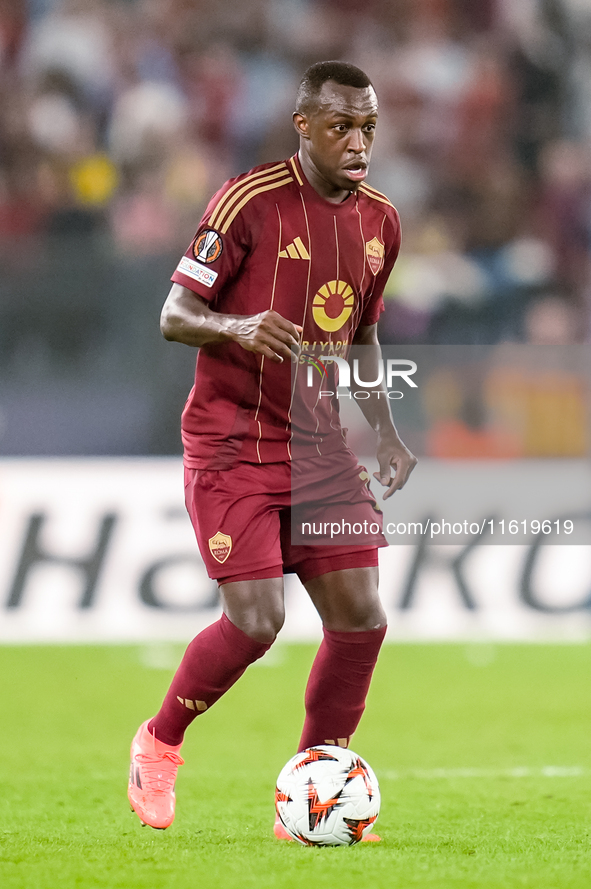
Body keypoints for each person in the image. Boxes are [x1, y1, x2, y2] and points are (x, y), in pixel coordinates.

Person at [128, 60, 417, 839]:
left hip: (319, 447)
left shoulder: (381, 220)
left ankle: (316, 787)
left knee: (361, 617)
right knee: (256, 621)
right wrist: (236, 325)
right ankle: (158, 741)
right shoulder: (249, 201)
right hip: (231, 440)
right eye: (340, 127)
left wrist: (385, 431)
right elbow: (175, 312)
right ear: (304, 126)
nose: (358, 142)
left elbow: (362, 334)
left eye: (368, 128)